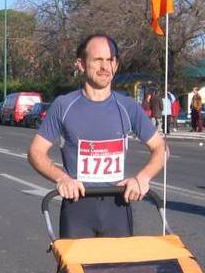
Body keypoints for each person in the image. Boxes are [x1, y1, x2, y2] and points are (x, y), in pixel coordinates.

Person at [27, 34, 166, 238]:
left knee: (118, 270)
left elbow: (160, 148)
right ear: (81, 64)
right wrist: (62, 179)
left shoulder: (127, 107)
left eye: (110, 60)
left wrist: (142, 178)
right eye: (98, 60)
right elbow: (35, 152)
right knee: (76, 270)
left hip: (117, 206)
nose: (105, 66)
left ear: (116, 65)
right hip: (78, 206)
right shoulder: (64, 105)